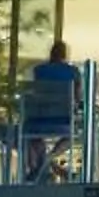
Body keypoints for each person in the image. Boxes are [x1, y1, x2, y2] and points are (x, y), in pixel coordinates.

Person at [22, 41, 78, 183]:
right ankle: (50, 158)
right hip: (63, 121)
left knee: (33, 138)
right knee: (73, 135)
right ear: (65, 55)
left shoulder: (38, 70)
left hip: (37, 120)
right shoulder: (73, 72)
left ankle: (39, 169)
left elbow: (33, 93)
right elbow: (78, 98)